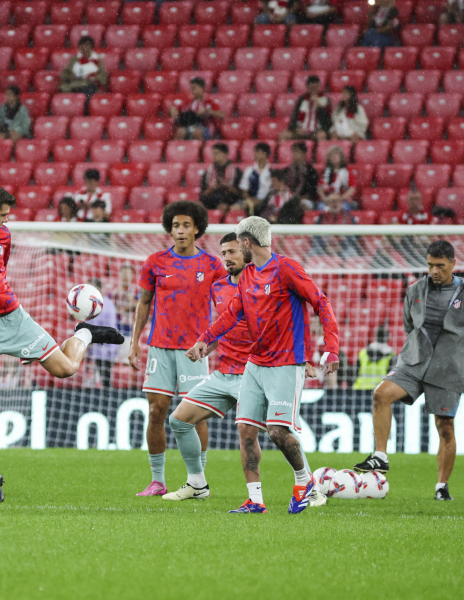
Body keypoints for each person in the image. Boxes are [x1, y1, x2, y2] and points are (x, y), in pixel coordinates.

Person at [0, 184, 124, 502]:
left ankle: (85, 334)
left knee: (66, 369)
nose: (5, 222)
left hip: (12, 319)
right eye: (1, 216)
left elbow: (0, 269)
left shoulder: (3, 235)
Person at [164, 232, 328, 508]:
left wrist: (302, 359)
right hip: (223, 374)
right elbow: (226, 327)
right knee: (179, 420)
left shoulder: (271, 282)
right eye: (224, 253)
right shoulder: (218, 288)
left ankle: (309, 486)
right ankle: (197, 483)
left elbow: (287, 325)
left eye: (233, 252)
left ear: (247, 251)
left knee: (275, 430)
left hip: (258, 372)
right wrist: (204, 345)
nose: (227, 257)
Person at [354, 240, 464, 501]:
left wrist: (458, 358)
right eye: (430, 265)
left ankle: (441, 487)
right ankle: (380, 456)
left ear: (453, 264)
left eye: (440, 266)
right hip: (414, 362)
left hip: (447, 370)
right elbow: (409, 325)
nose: (435, 271)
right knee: (381, 394)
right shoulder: (416, 289)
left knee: (445, 428)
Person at [128, 201, 226, 497]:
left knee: (195, 415)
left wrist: (212, 342)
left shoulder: (211, 266)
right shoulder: (155, 262)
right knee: (156, 411)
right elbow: (144, 302)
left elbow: (226, 310)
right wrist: (134, 342)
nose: (180, 231)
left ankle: (198, 479)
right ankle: (157, 480)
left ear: (197, 229)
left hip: (193, 351)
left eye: (186, 225)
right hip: (159, 348)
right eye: (175, 226)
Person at [169, 77, 224, 141]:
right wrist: (172, 110)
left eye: (194, 88)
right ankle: (176, 150)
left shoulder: (209, 102)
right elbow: (175, 111)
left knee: (197, 132)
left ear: (202, 88)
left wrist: (209, 111)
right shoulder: (188, 103)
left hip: (205, 128)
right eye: (191, 88)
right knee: (180, 132)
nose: (192, 91)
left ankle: (201, 150)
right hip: (189, 127)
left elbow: (222, 115)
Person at [86, 278, 118, 388]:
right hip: (94, 349)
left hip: (106, 350)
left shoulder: (107, 305)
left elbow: (108, 331)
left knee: (105, 381)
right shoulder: (89, 305)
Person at [280, 75, 332, 142]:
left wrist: (319, 106)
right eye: (311, 88)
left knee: (321, 136)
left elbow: (328, 120)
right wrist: (296, 128)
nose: (314, 90)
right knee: (283, 135)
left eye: (315, 88)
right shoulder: (302, 99)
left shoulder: (325, 99)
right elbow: (294, 117)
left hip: (316, 130)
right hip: (301, 129)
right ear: (307, 87)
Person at [199, 143, 242, 211]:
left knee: (222, 207)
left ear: (225, 154)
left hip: (227, 200)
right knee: (197, 205)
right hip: (210, 199)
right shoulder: (208, 172)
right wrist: (213, 188)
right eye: (213, 153)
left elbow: (239, 193)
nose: (214, 156)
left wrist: (227, 186)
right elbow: (203, 194)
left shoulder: (236, 171)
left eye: (217, 153)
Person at [352, 326, 396, 391]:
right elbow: (393, 377)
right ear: (388, 338)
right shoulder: (391, 355)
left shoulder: (363, 352)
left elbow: (354, 372)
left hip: (360, 389)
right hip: (380, 391)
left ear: (375, 336)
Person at [238, 143, 273, 216]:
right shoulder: (249, 171)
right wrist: (249, 200)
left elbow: (271, 192)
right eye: (255, 152)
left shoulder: (271, 172)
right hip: (250, 201)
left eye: (258, 152)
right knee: (235, 208)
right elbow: (244, 190)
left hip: (266, 203)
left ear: (265, 154)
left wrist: (259, 201)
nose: (255, 154)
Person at [283, 141, 319, 206]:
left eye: (297, 151)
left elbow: (311, 192)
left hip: (304, 199)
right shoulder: (287, 170)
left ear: (304, 153)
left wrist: (296, 199)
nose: (294, 154)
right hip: (288, 197)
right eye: (293, 151)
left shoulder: (311, 171)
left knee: (303, 205)